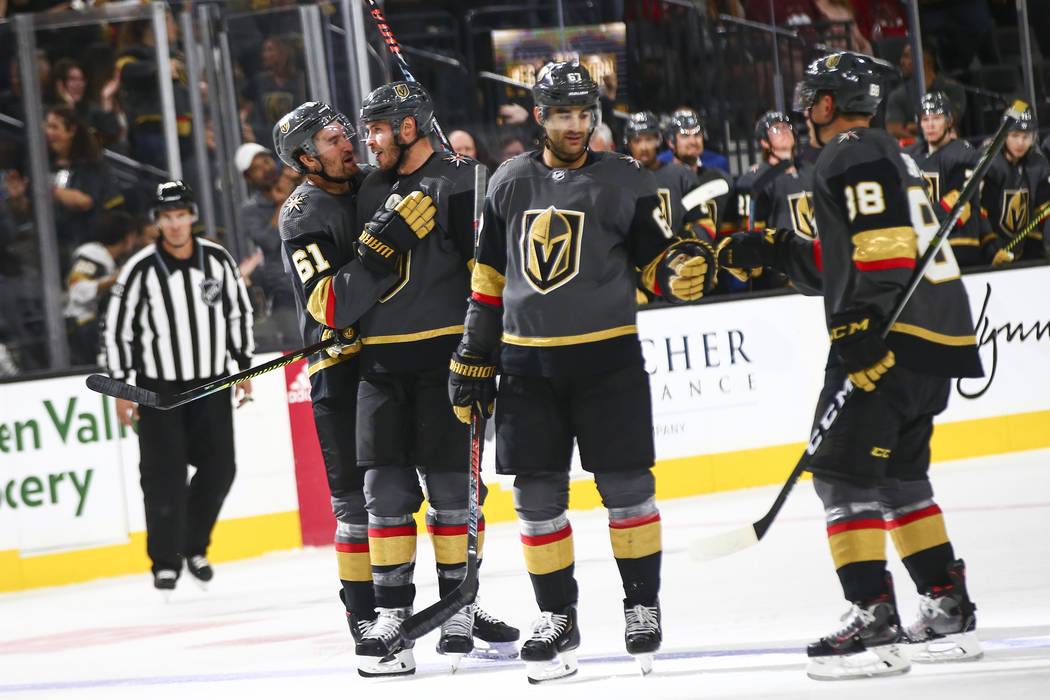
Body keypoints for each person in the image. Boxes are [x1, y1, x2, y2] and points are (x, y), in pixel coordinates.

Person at [449, 61, 717, 683]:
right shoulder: (509, 182)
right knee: (537, 501)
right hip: (525, 368)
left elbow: (658, 265)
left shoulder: (627, 178)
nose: (576, 124)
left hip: (607, 362)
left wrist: (678, 275)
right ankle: (556, 616)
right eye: (563, 113)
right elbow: (487, 283)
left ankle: (641, 604)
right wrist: (472, 352)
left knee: (626, 491)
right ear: (540, 116)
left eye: (583, 112)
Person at [719, 51, 984, 680]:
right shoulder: (890, 155)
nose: (806, 108)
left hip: (886, 336)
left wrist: (862, 329)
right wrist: (778, 252)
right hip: (929, 337)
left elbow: (883, 250)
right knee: (898, 480)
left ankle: (873, 621)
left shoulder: (850, 151)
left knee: (841, 478)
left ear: (829, 104)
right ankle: (947, 607)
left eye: (812, 97)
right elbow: (857, 252)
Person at [320, 83, 517, 676]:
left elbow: (487, 270)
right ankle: (391, 618)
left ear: (409, 127)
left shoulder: (466, 180)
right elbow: (349, 274)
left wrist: (483, 353)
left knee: (455, 494)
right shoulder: (367, 188)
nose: (366, 140)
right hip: (379, 366)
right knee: (385, 497)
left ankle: (459, 606)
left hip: (445, 360)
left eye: (378, 128)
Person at [103, 180, 255, 594]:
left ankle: (194, 546)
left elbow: (238, 313)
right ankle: (165, 562)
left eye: (180, 215)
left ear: (192, 217)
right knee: (162, 476)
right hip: (159, 392)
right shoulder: (139, 269)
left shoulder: (218, 260)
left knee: (221, 467)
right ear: (157, 221)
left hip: (211, 384)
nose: (174, 224)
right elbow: (119, 330)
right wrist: (120, 387)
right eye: (166, 217)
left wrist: (242, 370)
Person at [271, 101, 381, 656]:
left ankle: (458, 604)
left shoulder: (374, 184)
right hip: (338, 372)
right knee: (355, 507)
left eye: (345, 134)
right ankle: (363, 614)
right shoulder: (300, 214)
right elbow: (332, 304)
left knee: (427, 491)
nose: (348, 145)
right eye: (335, 139)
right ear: (305, 158)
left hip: (392, 363)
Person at [904, 92, 986, 268]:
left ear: (949, 121)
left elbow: (959, 208)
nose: (930, 125)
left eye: (937, 118)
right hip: (923, 246)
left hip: (958, 246)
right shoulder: (911, 155)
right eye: (925, 119)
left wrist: (918, 220)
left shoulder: (963, 155)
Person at [63, 209, 139, 365]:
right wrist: (114, 280)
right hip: (82, 327)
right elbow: (77, 289)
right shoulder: (92, 255)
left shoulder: (113, 260)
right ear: (128, 237)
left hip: (99, 329)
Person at [623, 111, 713, 240]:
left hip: (677, 256)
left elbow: (703, 224)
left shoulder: (681, 174)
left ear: (658, 140)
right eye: (637, 140)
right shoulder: (620, 180)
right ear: (628, 144)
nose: (644, 147)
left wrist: (684, 246)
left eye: (649, 139)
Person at [235, 141, 298, 325]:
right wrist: (284, 203)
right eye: (256, 168)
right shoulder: (250, 210)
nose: (266, 168)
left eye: (266, 161)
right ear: (247, 178)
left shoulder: (299, 188)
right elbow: (269, 242)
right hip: (284, 291)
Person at [980, 108, 1050, 264]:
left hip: (1027, 250)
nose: (1020, 142)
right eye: (1015, 135)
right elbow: (981, 213)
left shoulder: (1038, 165)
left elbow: (1045, 211)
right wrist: (991, 248)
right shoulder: (989, 164)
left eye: (1026, 136)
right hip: (991, 251)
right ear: (1004, 135)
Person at [665, 109, 731, 238]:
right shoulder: (662, 180)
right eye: (685, 136)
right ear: (671, 142)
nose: (693, 141)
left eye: (697, 135)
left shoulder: (719, 178)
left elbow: (729, 228)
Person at [884, 43, 966, 141]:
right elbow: (893, 130)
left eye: (907, 56)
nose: (902, 61)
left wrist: (911, 127)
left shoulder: (952, 88)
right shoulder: (898, 95)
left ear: (924, 59)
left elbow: (950, 122)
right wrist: (923, 145)